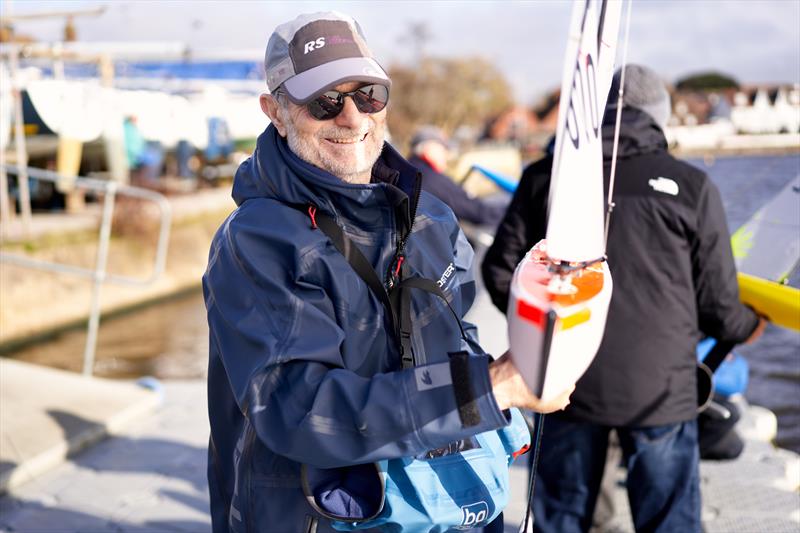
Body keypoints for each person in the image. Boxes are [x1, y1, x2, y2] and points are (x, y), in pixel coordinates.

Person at [203, 12, 574, 533]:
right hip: (316, 517)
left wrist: (529, 365)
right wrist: (489, 389)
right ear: (276, 112)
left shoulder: (432, 218)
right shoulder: (255, 242)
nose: (352, 117)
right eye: (324, 101)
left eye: (368, 94)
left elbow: (459, 342)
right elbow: (301, 409)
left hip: (450, 511)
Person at [481, 64, 766, 533]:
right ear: (659, 117)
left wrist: (542, 339)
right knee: (669, 522)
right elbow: (718, 302)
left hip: (566, 381)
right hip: (661, 389)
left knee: (563, 519)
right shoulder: (690, 186)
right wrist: (747, 326)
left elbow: (500, 270)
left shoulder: (545, 178)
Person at [408, 126, 506, 227]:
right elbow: (477, 211)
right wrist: (507, 212)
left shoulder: (407, 172)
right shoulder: (431, 178)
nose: (447, 155)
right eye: (444, 149)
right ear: (430, 148)